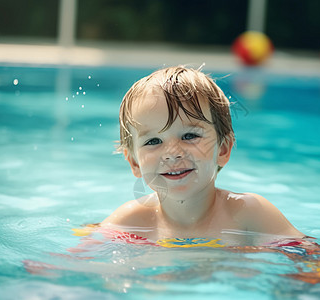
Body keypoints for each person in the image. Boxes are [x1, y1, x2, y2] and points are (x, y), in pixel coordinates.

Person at [100, 65, 304, 244]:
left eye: (189, 136)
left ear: (223, 149)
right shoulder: (130, 222)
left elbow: (314, 261)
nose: (172, 154)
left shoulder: (249, 214)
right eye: (153, 141)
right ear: (134, 162)